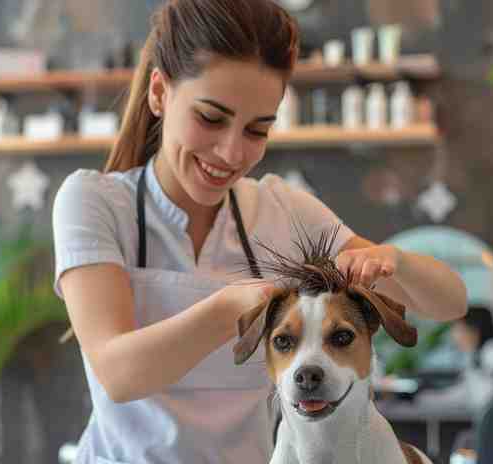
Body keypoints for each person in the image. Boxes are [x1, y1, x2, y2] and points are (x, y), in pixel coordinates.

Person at [51, 1, 467, 462]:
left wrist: (397, 261)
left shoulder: (280, 208)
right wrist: (232, 307)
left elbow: (450, 302)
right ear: (158, 93)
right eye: (211, 118)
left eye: (257, 129)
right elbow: (118, 374)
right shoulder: (94, 202)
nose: (230, 152)